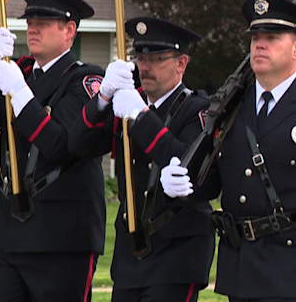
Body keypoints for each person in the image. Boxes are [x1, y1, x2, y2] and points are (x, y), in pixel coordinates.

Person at [161, 0, 296, 302]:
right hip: (241, 269)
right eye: (256, 37)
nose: (260, 44)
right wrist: (181, 182)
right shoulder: (232, 109)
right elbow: (213, 179)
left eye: (272, 37)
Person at [0, 0, 106, 302]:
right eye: (30, 22)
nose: (32, 29)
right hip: (8, 230)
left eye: (43, 23)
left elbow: (59, 145)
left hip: (62, 236)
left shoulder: (84, 80)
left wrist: (22, 95)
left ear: (69, 30)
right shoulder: (18, 71)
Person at [68, 17, 215, 302]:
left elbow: (187, 166)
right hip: (131, 252)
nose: (144, 67)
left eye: (157, 58)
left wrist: (141, 117)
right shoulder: (126, 103)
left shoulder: (198, 110)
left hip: (176, 253)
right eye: (140, 57)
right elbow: (78, 144)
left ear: (181, 63)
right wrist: (103, 99)